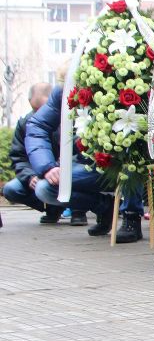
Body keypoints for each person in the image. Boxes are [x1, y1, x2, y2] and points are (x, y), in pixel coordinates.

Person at [24, 86, 115, 236]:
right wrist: (47, 167)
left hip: (124, 164)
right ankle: (105, 207)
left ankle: (131, 217)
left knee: (132, 166)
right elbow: (37, 128)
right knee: (44, 188)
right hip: (88, 164)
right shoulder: (64, 91)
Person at [3, 83, 64, 223]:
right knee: (11, 189)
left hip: (62, 173)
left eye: (42, 110)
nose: (38, 115)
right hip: (38, 174)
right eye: (34, 110)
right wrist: (30, 177)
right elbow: (18, 157)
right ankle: (52, 209)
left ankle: (78, 212)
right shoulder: (25, 123)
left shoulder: (66, 120)